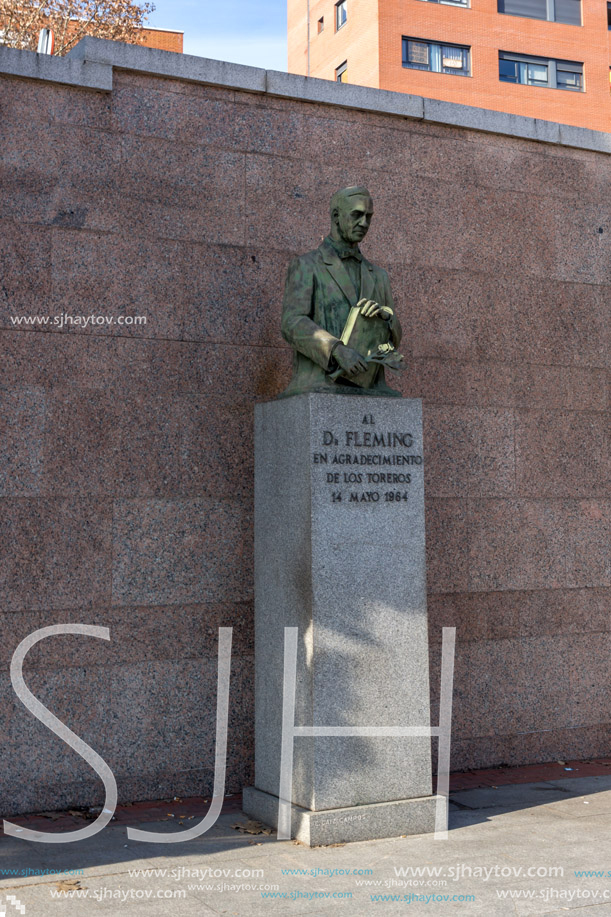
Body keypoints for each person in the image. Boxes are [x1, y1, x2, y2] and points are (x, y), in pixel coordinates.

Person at [280, 186, 402, 397]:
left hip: (370, 385)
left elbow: (396, 337)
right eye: (356, 215)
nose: (364, 223)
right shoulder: (307, 266)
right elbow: (292, 322)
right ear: (336, 216)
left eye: (368, 217)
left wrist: (385, 319)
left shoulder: (379, 276)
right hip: (321, 383)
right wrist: (336, 350)